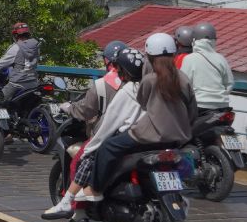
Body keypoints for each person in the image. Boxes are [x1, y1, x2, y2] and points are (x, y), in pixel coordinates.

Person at [82, 33, 196, 207]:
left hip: (148, 137)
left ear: (149, 57)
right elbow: (192, 110)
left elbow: (143, 103)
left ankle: (94, 190)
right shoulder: (184, 79)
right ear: (174, 54)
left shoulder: (149, 80)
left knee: (108, 147)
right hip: (178, 137)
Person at [43, 46, 146, 220]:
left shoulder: (107, 85)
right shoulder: (152, 85)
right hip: (152, 138)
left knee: (82, 160)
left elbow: (103, 120)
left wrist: (93, 143)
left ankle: (72, 205)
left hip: (118, 135)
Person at [58, 40, 127, 137]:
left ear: (106, 61)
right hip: (130, 133)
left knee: (80, 151)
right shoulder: (137, 81)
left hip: (105, 135)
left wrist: (69, 108)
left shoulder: (102, 84)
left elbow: (85, 110)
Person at [179, 22, 233, 111]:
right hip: (222, 105)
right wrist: (219, 96)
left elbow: (183, 84)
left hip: (199, 105)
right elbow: (229, 83)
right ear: (214, 41)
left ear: (194, 40)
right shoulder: (221, 58)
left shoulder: (189, 59)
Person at [0, 23, 40, 101]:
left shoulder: (15, 48)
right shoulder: (36, 47)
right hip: (33, 83)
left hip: (17, 84)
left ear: (16, 35)